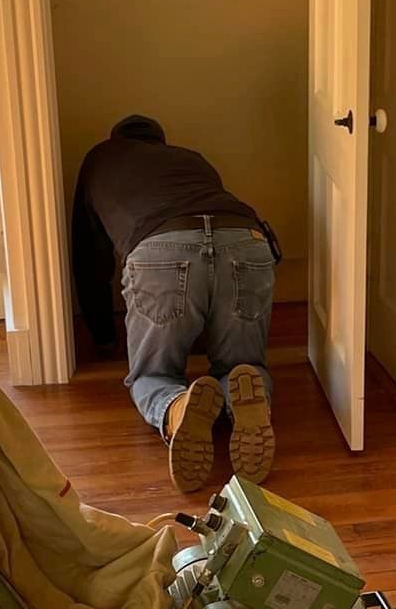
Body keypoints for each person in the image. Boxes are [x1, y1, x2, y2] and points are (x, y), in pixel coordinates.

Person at [70, 115, 279, 493]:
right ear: (161, 143)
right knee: (243, 366)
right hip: (245, 240)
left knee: (153, 375)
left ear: (117, 138)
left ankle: (176, 407)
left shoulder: (100, 158)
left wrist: (101, 335)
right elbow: (209, 247)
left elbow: (90, 258)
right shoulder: (191, 159)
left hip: (161, 247)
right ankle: (245, 397)